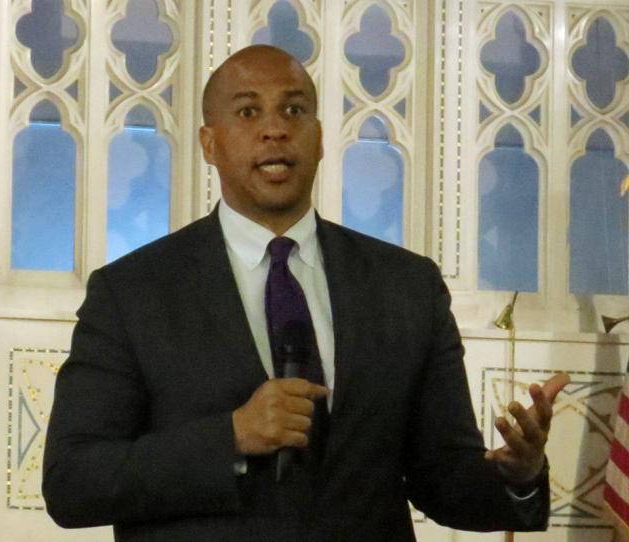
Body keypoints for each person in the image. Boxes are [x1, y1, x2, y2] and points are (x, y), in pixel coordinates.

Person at [42, 45, 569, 542]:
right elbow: (73, 482)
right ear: (210, 144)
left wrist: (519, 475)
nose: (275, 129)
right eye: (248, 114)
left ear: (319, 138)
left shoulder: (408, 287)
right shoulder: (133, 292)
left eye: (294, 111)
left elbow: (444, 480)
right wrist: (230, 438)